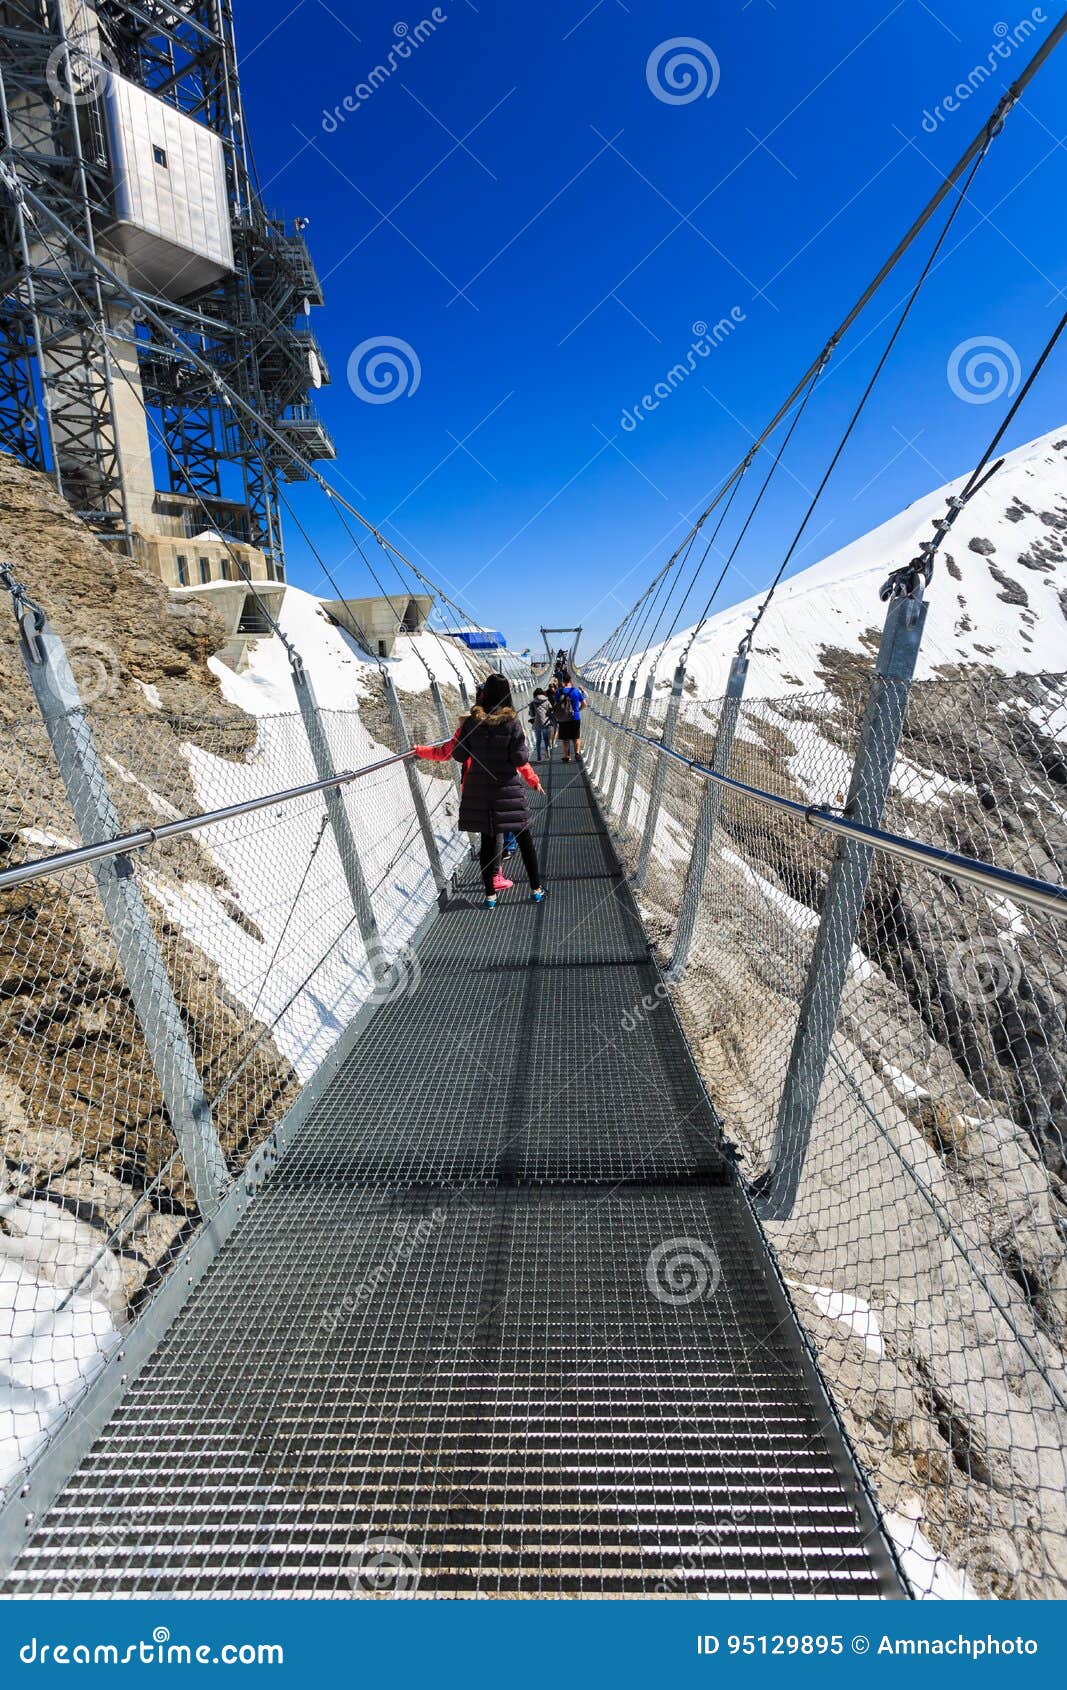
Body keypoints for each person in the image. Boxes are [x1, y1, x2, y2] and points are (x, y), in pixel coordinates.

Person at [451, 673, 546, 909]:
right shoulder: (512, 723)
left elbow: (459, 754)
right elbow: (518, 758)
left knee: (488, 840)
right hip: (507, 788)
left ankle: (490, 896)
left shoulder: (473, 722)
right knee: (525, 839)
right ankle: (536, 889)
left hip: (480, 790)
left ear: (485, 694)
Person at [552, 675, 586, 762]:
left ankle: (566, 756)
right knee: (576, 737)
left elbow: (555, 704)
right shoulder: (576, 691)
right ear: (571, 680)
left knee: (565, 739)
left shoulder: (559, 691)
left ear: (563, 681)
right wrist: (578, 710)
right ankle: (577, 754)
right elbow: (584, 704)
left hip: (563, 718)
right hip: (575, 717)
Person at [527, 688, 554, 762]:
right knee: (546, 740)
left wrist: (530, 708)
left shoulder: (532, 702)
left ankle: (539, 758)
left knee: (538, 741)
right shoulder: (546, 701)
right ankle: (547, 756)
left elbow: (532, 714)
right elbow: (551, 710)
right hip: (546, 723)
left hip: (536, 724)